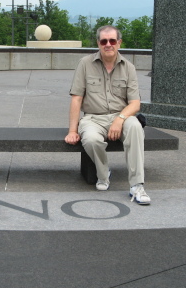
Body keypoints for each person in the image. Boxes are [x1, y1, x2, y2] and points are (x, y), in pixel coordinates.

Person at [64, 25, 150, 205]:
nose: (108, 44)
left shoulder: (129, 67)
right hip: (93, 118)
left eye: (112, 41)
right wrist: (72, 130)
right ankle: (103, 174)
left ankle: (137, 185)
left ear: (119, 43)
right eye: (104, 41)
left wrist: (120, 119)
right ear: (98, 43)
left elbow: (135, 103)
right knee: (91, 139)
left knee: (135, 127)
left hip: (121, 115)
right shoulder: (85, 64)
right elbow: (76, 99)